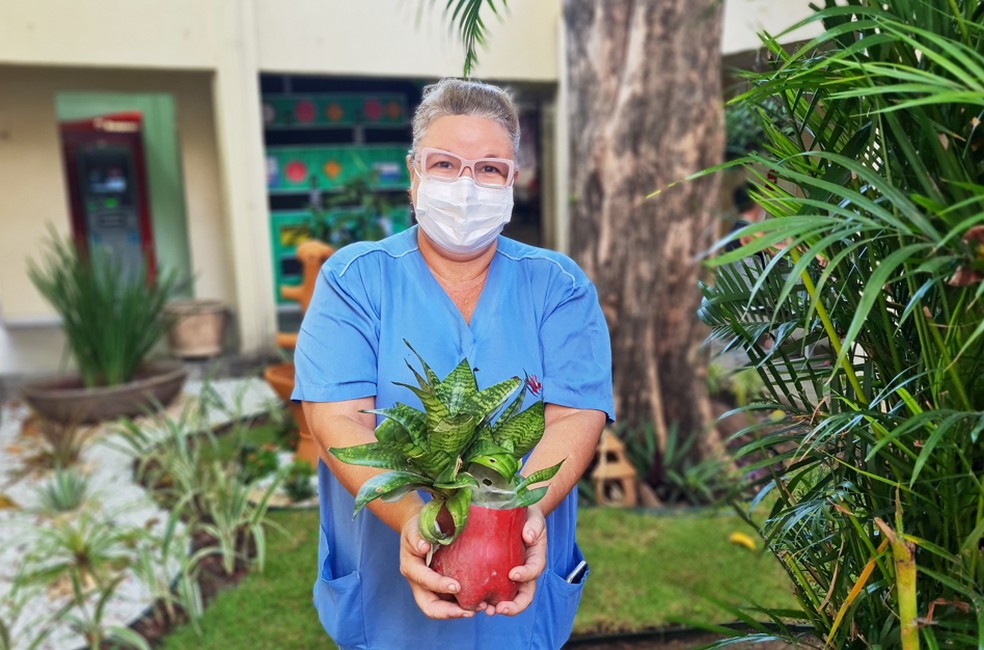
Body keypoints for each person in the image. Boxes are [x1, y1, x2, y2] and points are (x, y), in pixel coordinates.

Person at [292, 77, 615, 650]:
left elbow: (574, 417)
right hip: (385, 601)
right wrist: (414, 521)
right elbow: (338, 420)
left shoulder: (559, 287)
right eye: (445, 164)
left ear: (514, 181)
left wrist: (522, 512)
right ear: (414, 174)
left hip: (519, 584)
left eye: (490, 169)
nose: (467, 186)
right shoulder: (354, 278)